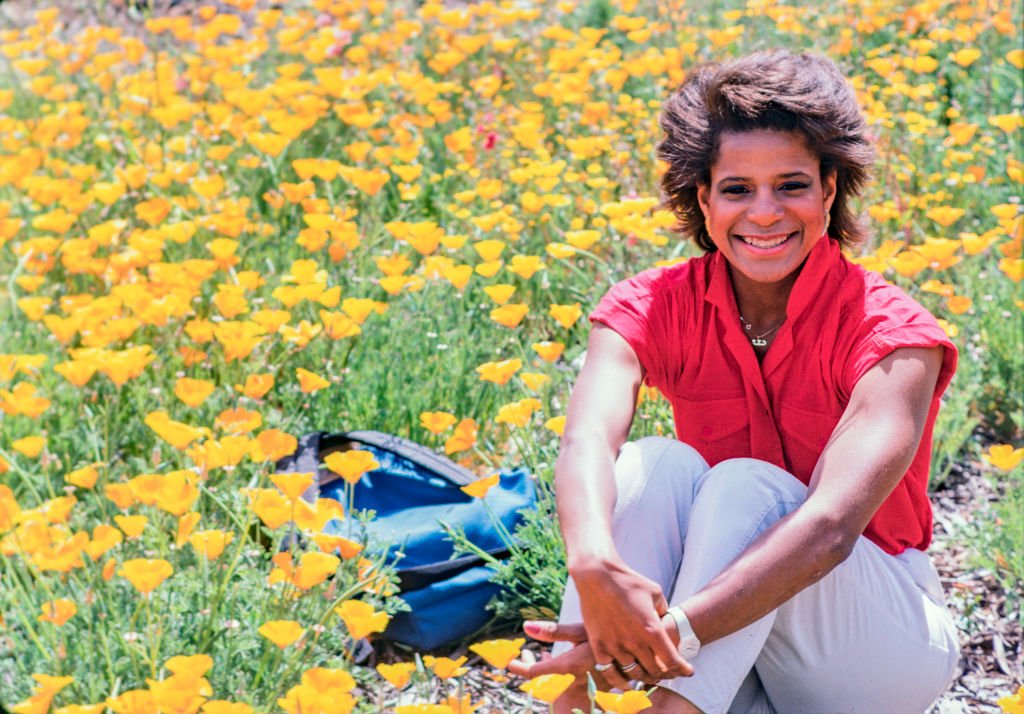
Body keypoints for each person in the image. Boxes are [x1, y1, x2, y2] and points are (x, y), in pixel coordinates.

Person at [508, 50, 961, 713]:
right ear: (704, 198)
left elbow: (831, 529)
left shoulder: (893, 333)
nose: (766, 213)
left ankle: (655, 700)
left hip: (871, 654)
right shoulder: (654, 305)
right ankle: (575, 699)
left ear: (830, 191)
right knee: (650, 465)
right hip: (732, 648)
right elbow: (585, 443)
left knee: (745, 484)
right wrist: (592, 564)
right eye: (738, 189)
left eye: (792, 185)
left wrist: (668, 635)